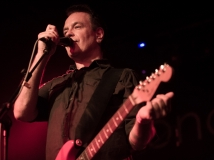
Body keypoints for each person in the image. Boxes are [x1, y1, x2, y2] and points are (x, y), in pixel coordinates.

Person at [13, 4, 174, 160]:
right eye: (65, 31)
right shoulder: (57, 84)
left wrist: (143, 121)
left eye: (77, 27)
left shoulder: (122, 77)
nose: (68, 34)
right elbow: (21, 111)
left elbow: (137, 143)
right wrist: (42, 54)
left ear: (98, 34)